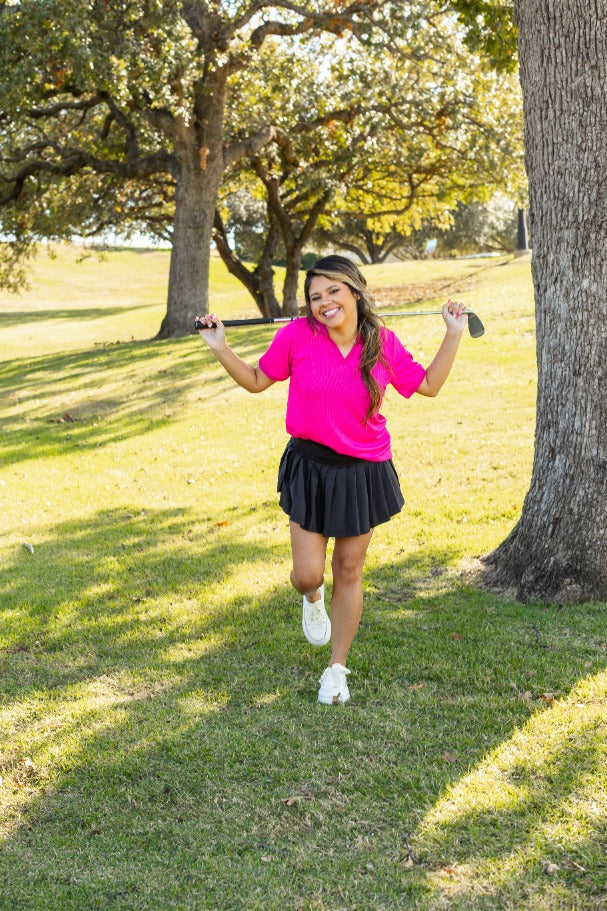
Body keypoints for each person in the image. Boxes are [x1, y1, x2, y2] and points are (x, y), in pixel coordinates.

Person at [197, 255, 467, 705]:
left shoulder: (382, 342)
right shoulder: (297, 336)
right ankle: (312, 597)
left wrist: (453, 334)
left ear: (355, 292)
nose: (324, 303)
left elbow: (428, 386)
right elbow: (257, 380)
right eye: (315, 297)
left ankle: (336, 669)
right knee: (306, 575)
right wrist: (219, 345)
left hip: (362, 470)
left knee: (349, 568)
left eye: (333, 291)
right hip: (310, 465)